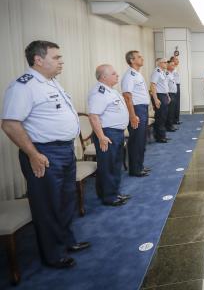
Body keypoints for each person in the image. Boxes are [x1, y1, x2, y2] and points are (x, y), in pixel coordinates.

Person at [2, 40, 88, 269]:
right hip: (44, 154)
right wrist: (32, 154)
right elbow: (10, 124)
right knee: (47, 205)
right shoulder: (24, 86)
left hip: (64, 151)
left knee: (66, 199)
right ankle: (53, 255)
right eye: (56, 57)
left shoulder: (51, 83)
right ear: (38, 60)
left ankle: (67, 240)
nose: (61, 62)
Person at [87, 65, 130, 206]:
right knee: (108, 165)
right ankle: (109, 197)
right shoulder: (99, 92)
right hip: (107, 134)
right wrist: (101, 137)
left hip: (115, 133)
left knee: (115, 164)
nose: (117, 75)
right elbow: (93, 116)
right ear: (103, 77)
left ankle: (113, 192)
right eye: (113, 73)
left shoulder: (110, 91)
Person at [121, 50, 151, 177]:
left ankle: (139, 165)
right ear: (132, 60)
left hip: (142, 109)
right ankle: (135, 169)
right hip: (136, 110)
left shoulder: (137, 74)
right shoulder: (129, 76)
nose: (142, 58)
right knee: (136, 141)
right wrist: (132, 116)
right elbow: (127, 97)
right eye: (139, 57)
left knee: (141, 140)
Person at [150, 58, 170, 143]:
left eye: (167, 62)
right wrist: (156, 99)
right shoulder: (156, 72)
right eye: (165, 62)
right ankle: (159, 137)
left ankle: (162, 135)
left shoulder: (162, 72)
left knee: (164, 116)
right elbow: (153, 85)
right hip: (159, 96)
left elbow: (164, 85)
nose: (166, 64)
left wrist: (167, 95)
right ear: (159, 63)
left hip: (164, 95)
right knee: (160, 117)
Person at [165, 60, 178, 131]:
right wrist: (168, 96)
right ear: (168, 66)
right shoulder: (166, 74)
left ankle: (171, 124)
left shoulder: (171, 73)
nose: (174, 66)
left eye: (174, 65)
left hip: (173, 94)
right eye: (172, 65)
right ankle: (169, 126)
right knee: (170, 111)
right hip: (170, 94)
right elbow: (165, 85)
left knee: (172, 110)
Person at [171, 56, 182, 124]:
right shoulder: (171, 69)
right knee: (174, 104)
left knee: (177, 103)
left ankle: (176, 119)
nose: (178, 61)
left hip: (177, 85)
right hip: (173, 86)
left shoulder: (176, 68)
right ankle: (173, 120)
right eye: (176, 59)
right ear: (172, 61)